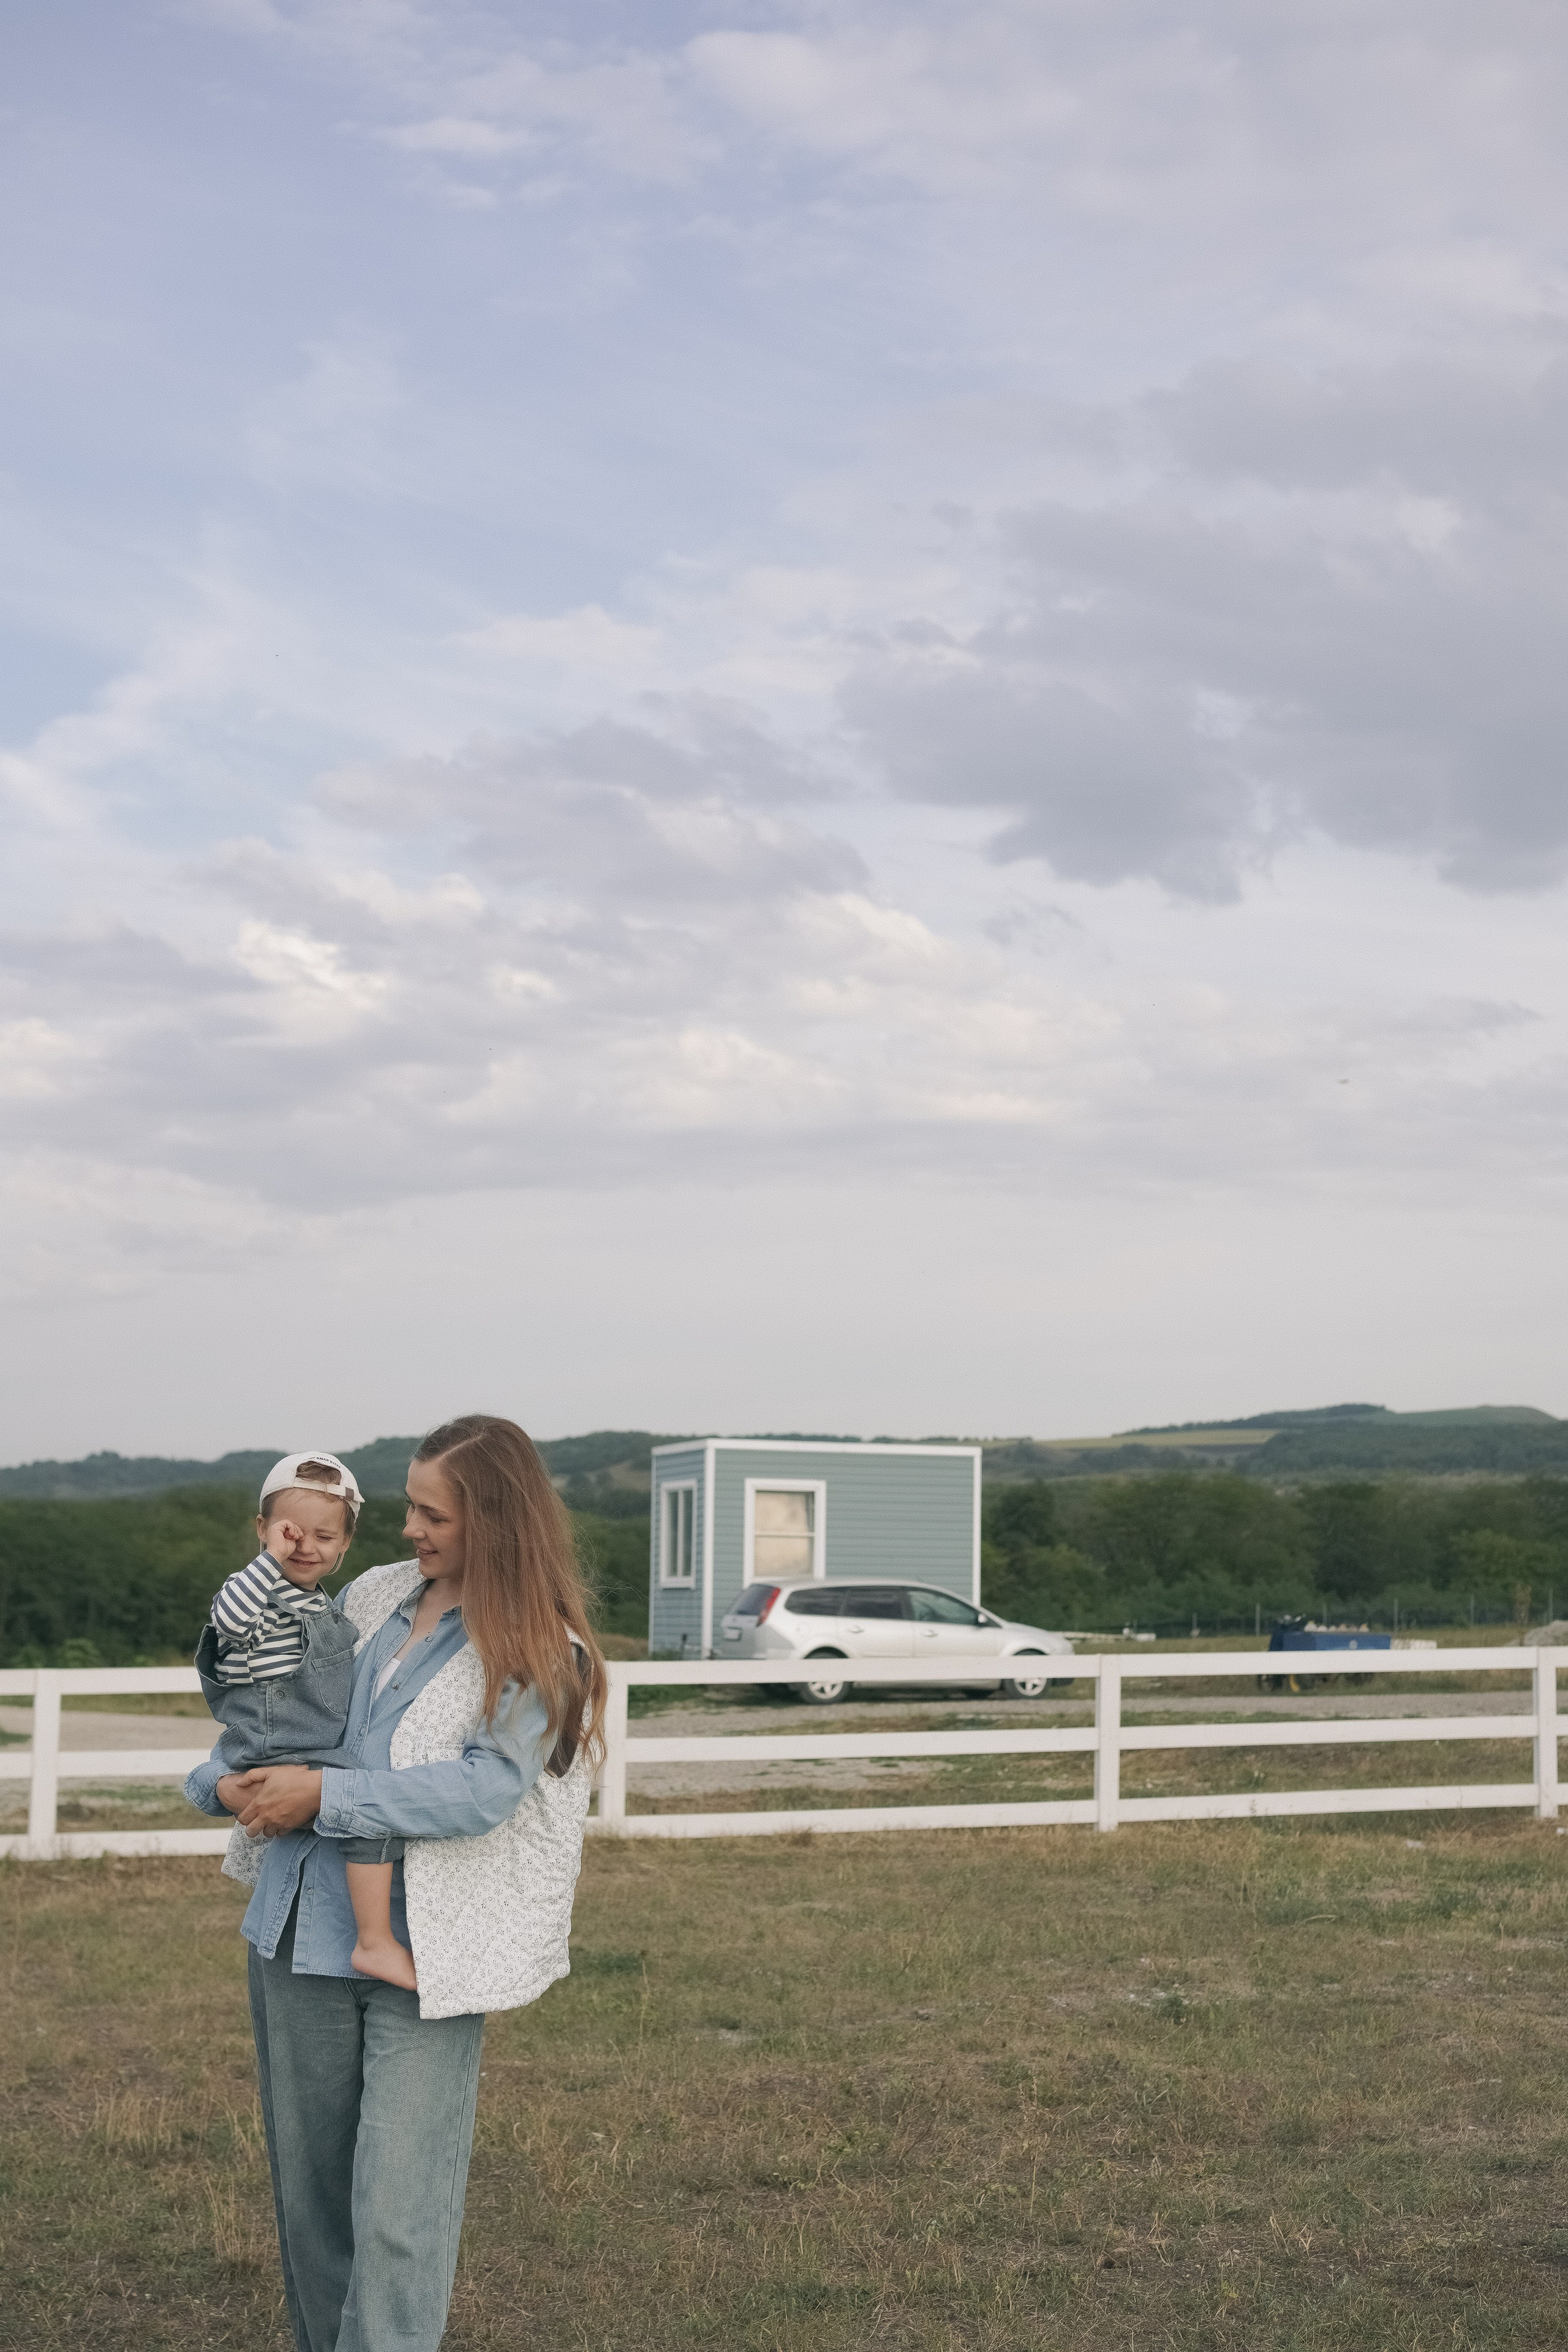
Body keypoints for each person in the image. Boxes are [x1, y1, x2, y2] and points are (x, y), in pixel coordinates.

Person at [186, 1414, 607, 2352]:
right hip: (300, 1927)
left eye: (433, 1515)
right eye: (411, 1507)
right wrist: (226, 1776)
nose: (410, 1530)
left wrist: (327, 1795)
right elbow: (272, 1693)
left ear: (494, 1523)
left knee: (397, 2205)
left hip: (427, 1949)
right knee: (313, 2193)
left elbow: (482, 1789)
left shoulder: (540, 1646)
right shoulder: (373, 1594)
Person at [197, 1450, 417, 1989]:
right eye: (290, 1534)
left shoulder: (321, 1603)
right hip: (282, 1744)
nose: (305, 1547)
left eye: (324, 1536)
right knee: (368, 1814)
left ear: (344, 1545)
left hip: (307, 1742)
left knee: (363, 1806)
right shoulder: (256, 1592)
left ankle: (365, 1937)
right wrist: (269, 1560)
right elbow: (226, 1619)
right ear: (263, 1530)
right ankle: (375, 1941)